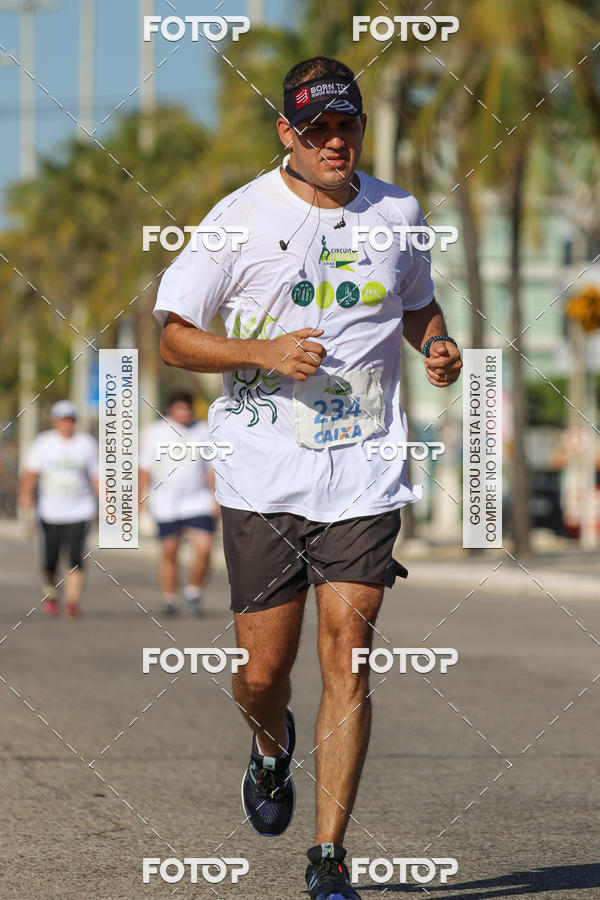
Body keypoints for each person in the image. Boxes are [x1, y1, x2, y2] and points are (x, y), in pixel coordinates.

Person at [154, 56, 462, 900]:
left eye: (347, 124)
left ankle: (329, 858)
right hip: (262, 475)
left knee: (348, 657)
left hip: (364, 471)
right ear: (287, 132)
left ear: (361, 126)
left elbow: (416, 301)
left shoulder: (397, 211)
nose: (335, 141)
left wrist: (433, 343)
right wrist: (260, 351)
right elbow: (174, 337)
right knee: (262, 675)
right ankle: (267, 744)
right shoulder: (238, 219)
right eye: (317, 127)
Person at [138, 391, 217, 616]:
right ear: (171, 409)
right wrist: (139, 498)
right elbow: (144, 467)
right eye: (179, 408)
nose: (184, 413)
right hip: (166, 502)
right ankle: (169, 598)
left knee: (204, 547)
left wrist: (216, 498)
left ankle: (193, 592)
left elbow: (211, 467)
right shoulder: (155, 432)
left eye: (187, 408)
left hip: (197, 500)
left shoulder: (203, 431)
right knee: (169, 551)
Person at [18, 400, 99, 619]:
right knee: (50, 559)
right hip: (50, 511)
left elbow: (96, 477)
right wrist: (26, 497)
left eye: (71, 419)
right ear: (55, 421)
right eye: (63, 419)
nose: (67, 424)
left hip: (80, 510)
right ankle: (50, 589)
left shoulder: (86, 444)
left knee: (75, 556)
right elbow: (30, 474)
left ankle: (72, 603)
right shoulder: (43, 443)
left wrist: (107, 502)